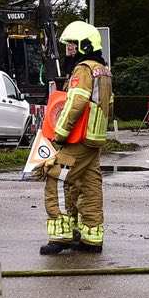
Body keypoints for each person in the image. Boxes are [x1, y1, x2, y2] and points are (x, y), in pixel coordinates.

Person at [40, 20, 112, 256]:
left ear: (84, 45)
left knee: (56, 177)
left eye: (72, 44)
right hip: (94, 138)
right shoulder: (103, 70)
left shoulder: (82, 69)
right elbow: (109, 105)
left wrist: (59, 134)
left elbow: (75, 103)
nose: (68, 49)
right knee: (90, 185)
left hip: (78, 138)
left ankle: (61, 234)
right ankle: (92, 237)